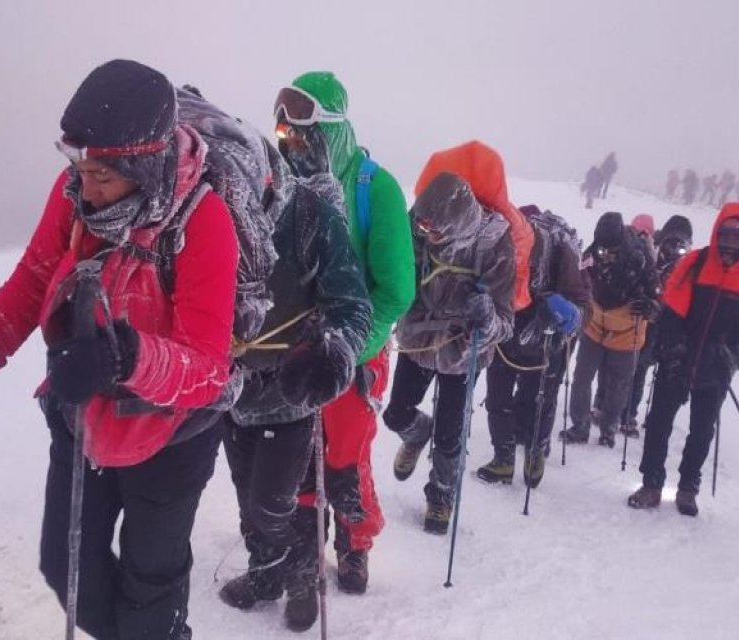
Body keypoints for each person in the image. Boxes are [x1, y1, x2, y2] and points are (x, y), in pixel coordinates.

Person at [0, 60, 239, 640]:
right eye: (79, 167)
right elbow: (36, 276)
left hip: (171, 439)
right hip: (81, 419)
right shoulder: (75, 195)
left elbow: (208, 368)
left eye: (103, 176)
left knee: (149, 596)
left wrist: (126, 358)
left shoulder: (203, 221)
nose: (86, 187)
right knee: (70, 578)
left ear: (145, 164)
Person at [216, 104, 373, 631]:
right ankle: (267, 573)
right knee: (245, 490)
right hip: (232, 388)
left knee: (280, 501)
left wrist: (335, 350)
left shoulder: (310, 214)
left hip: (293, 385)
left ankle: (303, 578)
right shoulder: (210, 208)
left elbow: (352, 303)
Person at [273, 71, 416, 595]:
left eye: (303, 134)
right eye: (285, 134)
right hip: (297, 348)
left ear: (330, 129)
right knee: (301, 455)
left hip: (357, 354)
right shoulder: (287, 184)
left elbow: (396, 288)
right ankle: (307, 548)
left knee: (345, 459)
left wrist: (353, 347)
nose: (293, 145)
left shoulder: (374, 189)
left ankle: (355, 546)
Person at [383, 170, 515, 534]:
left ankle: (440, 497)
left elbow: (506, 322)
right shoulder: (418, 228)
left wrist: (485, 315)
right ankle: (414, 432)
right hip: (420, 340)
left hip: (462, 348)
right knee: (396, 413)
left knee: (450, 432)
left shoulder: (494, 244)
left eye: (434, 231)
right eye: (423, 228)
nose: (426, 236)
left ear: (457, 224)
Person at [628, 203, 739, 517]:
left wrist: (735, 356)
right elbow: (671, 311)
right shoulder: (694, 264)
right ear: (717, 232)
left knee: (702, 429)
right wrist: (675, 347)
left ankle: (687, 489)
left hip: (716, 368)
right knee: (658, 423)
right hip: (677, 360)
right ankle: (651, 484)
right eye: (727, 234)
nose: (732, 243)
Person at [477, 205, 588, 486]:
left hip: (547, 337)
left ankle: (534, 452)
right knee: (498, 399)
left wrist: (563, 311)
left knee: (537, 399)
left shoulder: (559, 249)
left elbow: (581, 305)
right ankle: (505, 458)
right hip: (507, 332)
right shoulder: (499, 243)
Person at [561, 212, 660, 448]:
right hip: (594, 326)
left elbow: (657, 299)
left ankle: (609, 428)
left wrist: (649, 306)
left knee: (618, 386)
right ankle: (579, 426)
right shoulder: (591, 253)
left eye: (610, 251)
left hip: (627, 334)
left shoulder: (640, 258)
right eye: (602, 249)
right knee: (582, 378)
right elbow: (579, 282)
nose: (605, 255)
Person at [619, 215, 692, 437]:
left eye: (681, 244)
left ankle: (630, 413)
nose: (675, 247)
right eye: (672, 241)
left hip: (665, 324)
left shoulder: (687, 266)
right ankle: (623, 411)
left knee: (641, 368)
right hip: (646, 319)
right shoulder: (650, 252)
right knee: (634, 367)